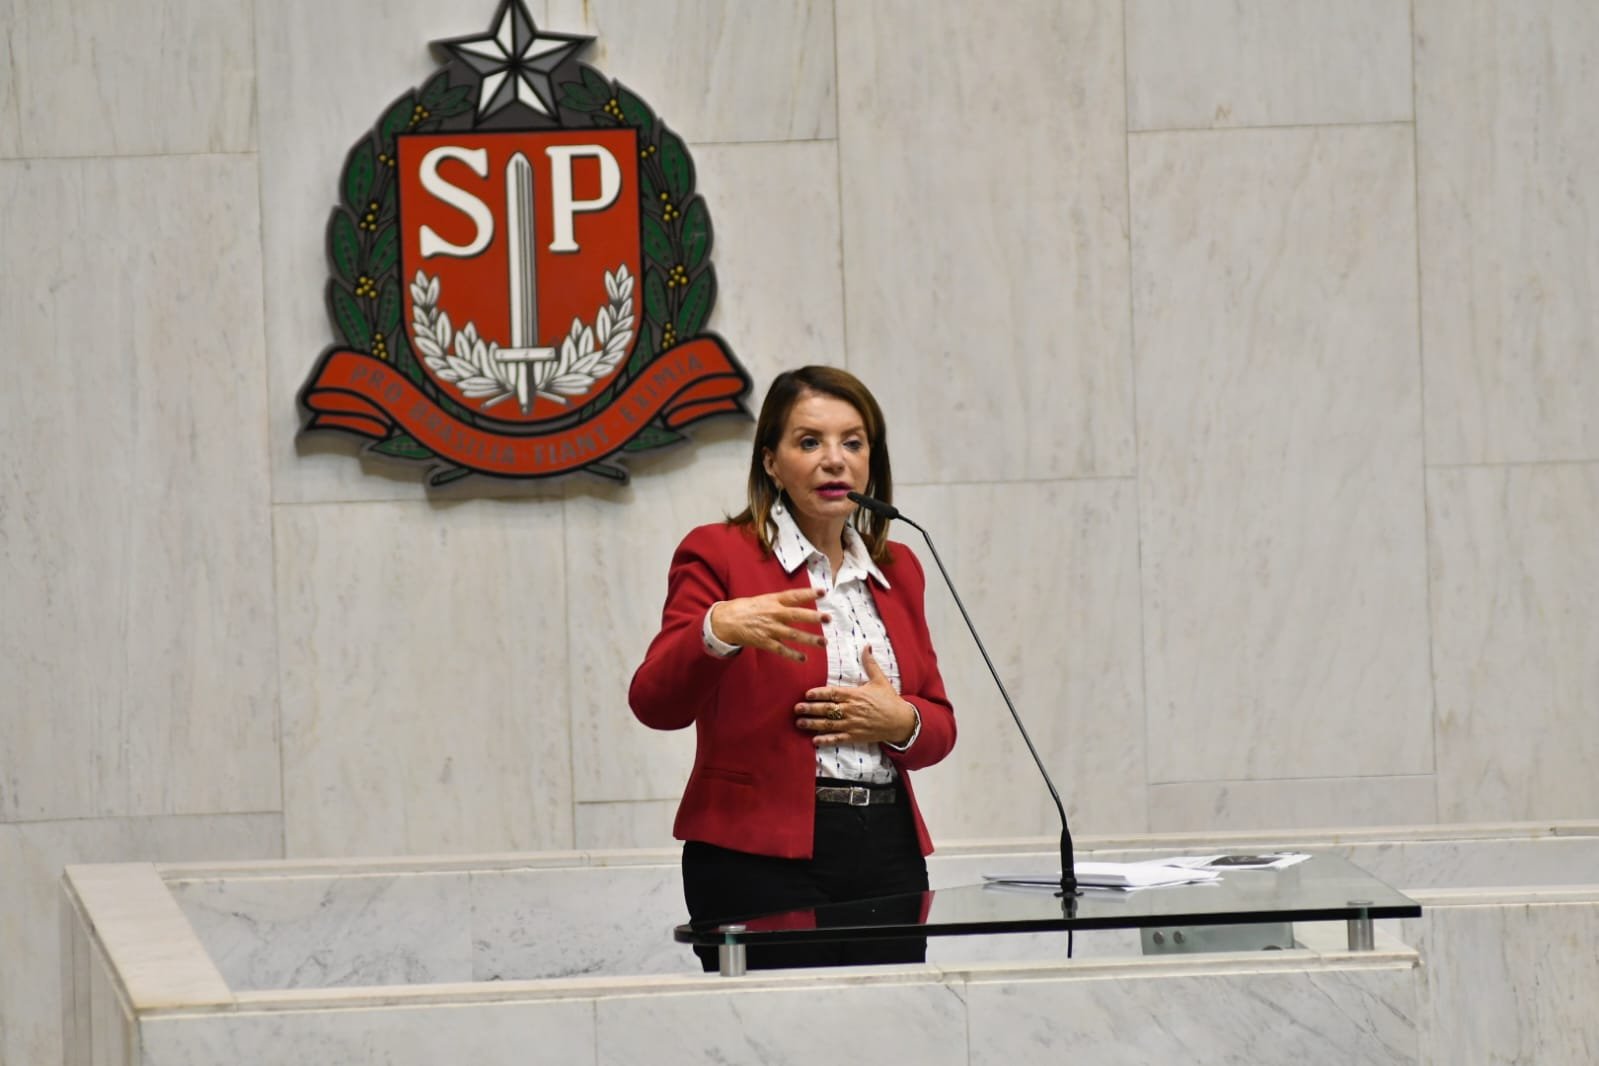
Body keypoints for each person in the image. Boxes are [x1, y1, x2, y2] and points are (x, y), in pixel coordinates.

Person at [629, 365, 956, 971]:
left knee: (895, 1037)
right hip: (754, 853)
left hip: (888, 851)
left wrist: (900, 720)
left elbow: (939, 725)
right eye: (810, 442)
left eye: (852, 442)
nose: (835, 460)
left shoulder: (900, 566)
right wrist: (717, 630)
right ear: (771, 462)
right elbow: (654, 703)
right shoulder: (719, 553)